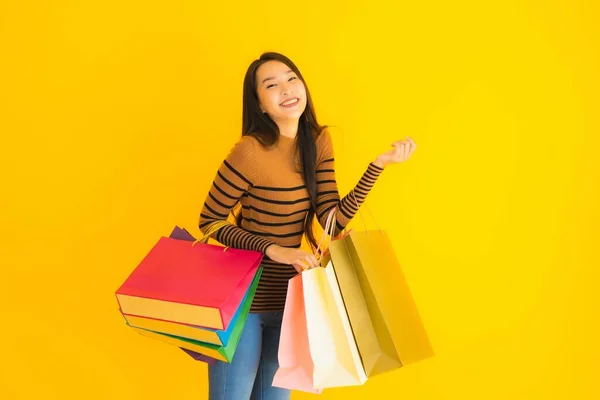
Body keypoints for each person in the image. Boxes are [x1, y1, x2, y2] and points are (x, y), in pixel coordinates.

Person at [198, 52, 416, 400]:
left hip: (291, 304)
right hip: (243, 304)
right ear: (260, 104)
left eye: (291, 78)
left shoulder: (317, 142)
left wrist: (377, 166)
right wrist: (273, 248)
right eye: (271, 85)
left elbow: (331, 219)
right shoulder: (249, 151)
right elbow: (209, 223)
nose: (286, 89)